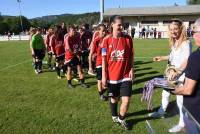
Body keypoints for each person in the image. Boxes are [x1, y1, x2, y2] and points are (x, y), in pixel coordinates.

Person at [149, 19, 192, 133]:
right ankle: (161, 112)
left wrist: (177, 72)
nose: (173, 31)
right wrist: (162, 57)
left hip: (181, 77)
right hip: (170, 76)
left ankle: (182, 123)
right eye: (171, 29)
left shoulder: (186, 43)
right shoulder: (174, 42)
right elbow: (172, 56)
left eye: (176, 29)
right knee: (165, 94)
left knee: (179, 101)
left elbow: (187, 60)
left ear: (180, 29)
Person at [102, 15, 134, 130]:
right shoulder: (106, 40)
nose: (121, 26)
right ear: (112, 25)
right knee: (114, 99)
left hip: (125, 75)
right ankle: (114, 115)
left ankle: (121, 119)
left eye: (122, 24)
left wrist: (131, 69)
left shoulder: (128, 38)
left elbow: (131, 56)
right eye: (119, 24)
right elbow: (104, 60)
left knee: (126, 100)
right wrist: (104, 76)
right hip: (112, 77)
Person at [172, 18, 200, 133]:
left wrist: (169, 89)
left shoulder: (196, 57)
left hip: (196, 113)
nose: (193, 36)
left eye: (195, 32)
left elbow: (188, 90)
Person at [90, 24, 107, 101]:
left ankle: (103, 91)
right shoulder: (95, 40)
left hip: (108, 62)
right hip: (99, 63)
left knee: (107, 81)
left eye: (105, 30)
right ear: (98, 31)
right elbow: (91, 54)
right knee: (100, 80)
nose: (104, 32)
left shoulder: (108, 38)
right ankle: (101, 95)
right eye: (102, 31)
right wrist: (90, 67)